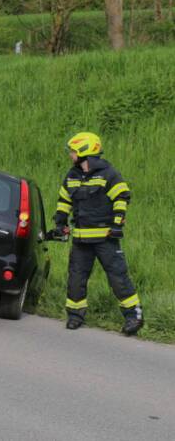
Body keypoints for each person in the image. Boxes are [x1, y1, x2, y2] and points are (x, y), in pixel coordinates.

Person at [51, 132, 142, 335]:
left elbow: (122, 196)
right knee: (76, 277)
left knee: (117, 277)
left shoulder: (108, 174)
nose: (71, 155)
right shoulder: (72, 175)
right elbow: (64, 201)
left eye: (73, 151)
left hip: (105, 238)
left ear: (85, 151)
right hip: (81, 239)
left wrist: (118, 224)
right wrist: (60, 223)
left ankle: (134, 316)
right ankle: (75, 315)